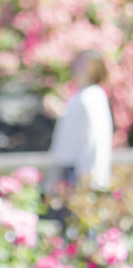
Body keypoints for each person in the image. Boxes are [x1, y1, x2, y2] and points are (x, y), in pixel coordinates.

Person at [48, 49, 114, 191]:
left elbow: (97, 138)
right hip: (71, 168)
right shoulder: (81, 95)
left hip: (81, 171)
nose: (76, 69)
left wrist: (92, 175)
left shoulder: (93, 95)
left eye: (82, 65)